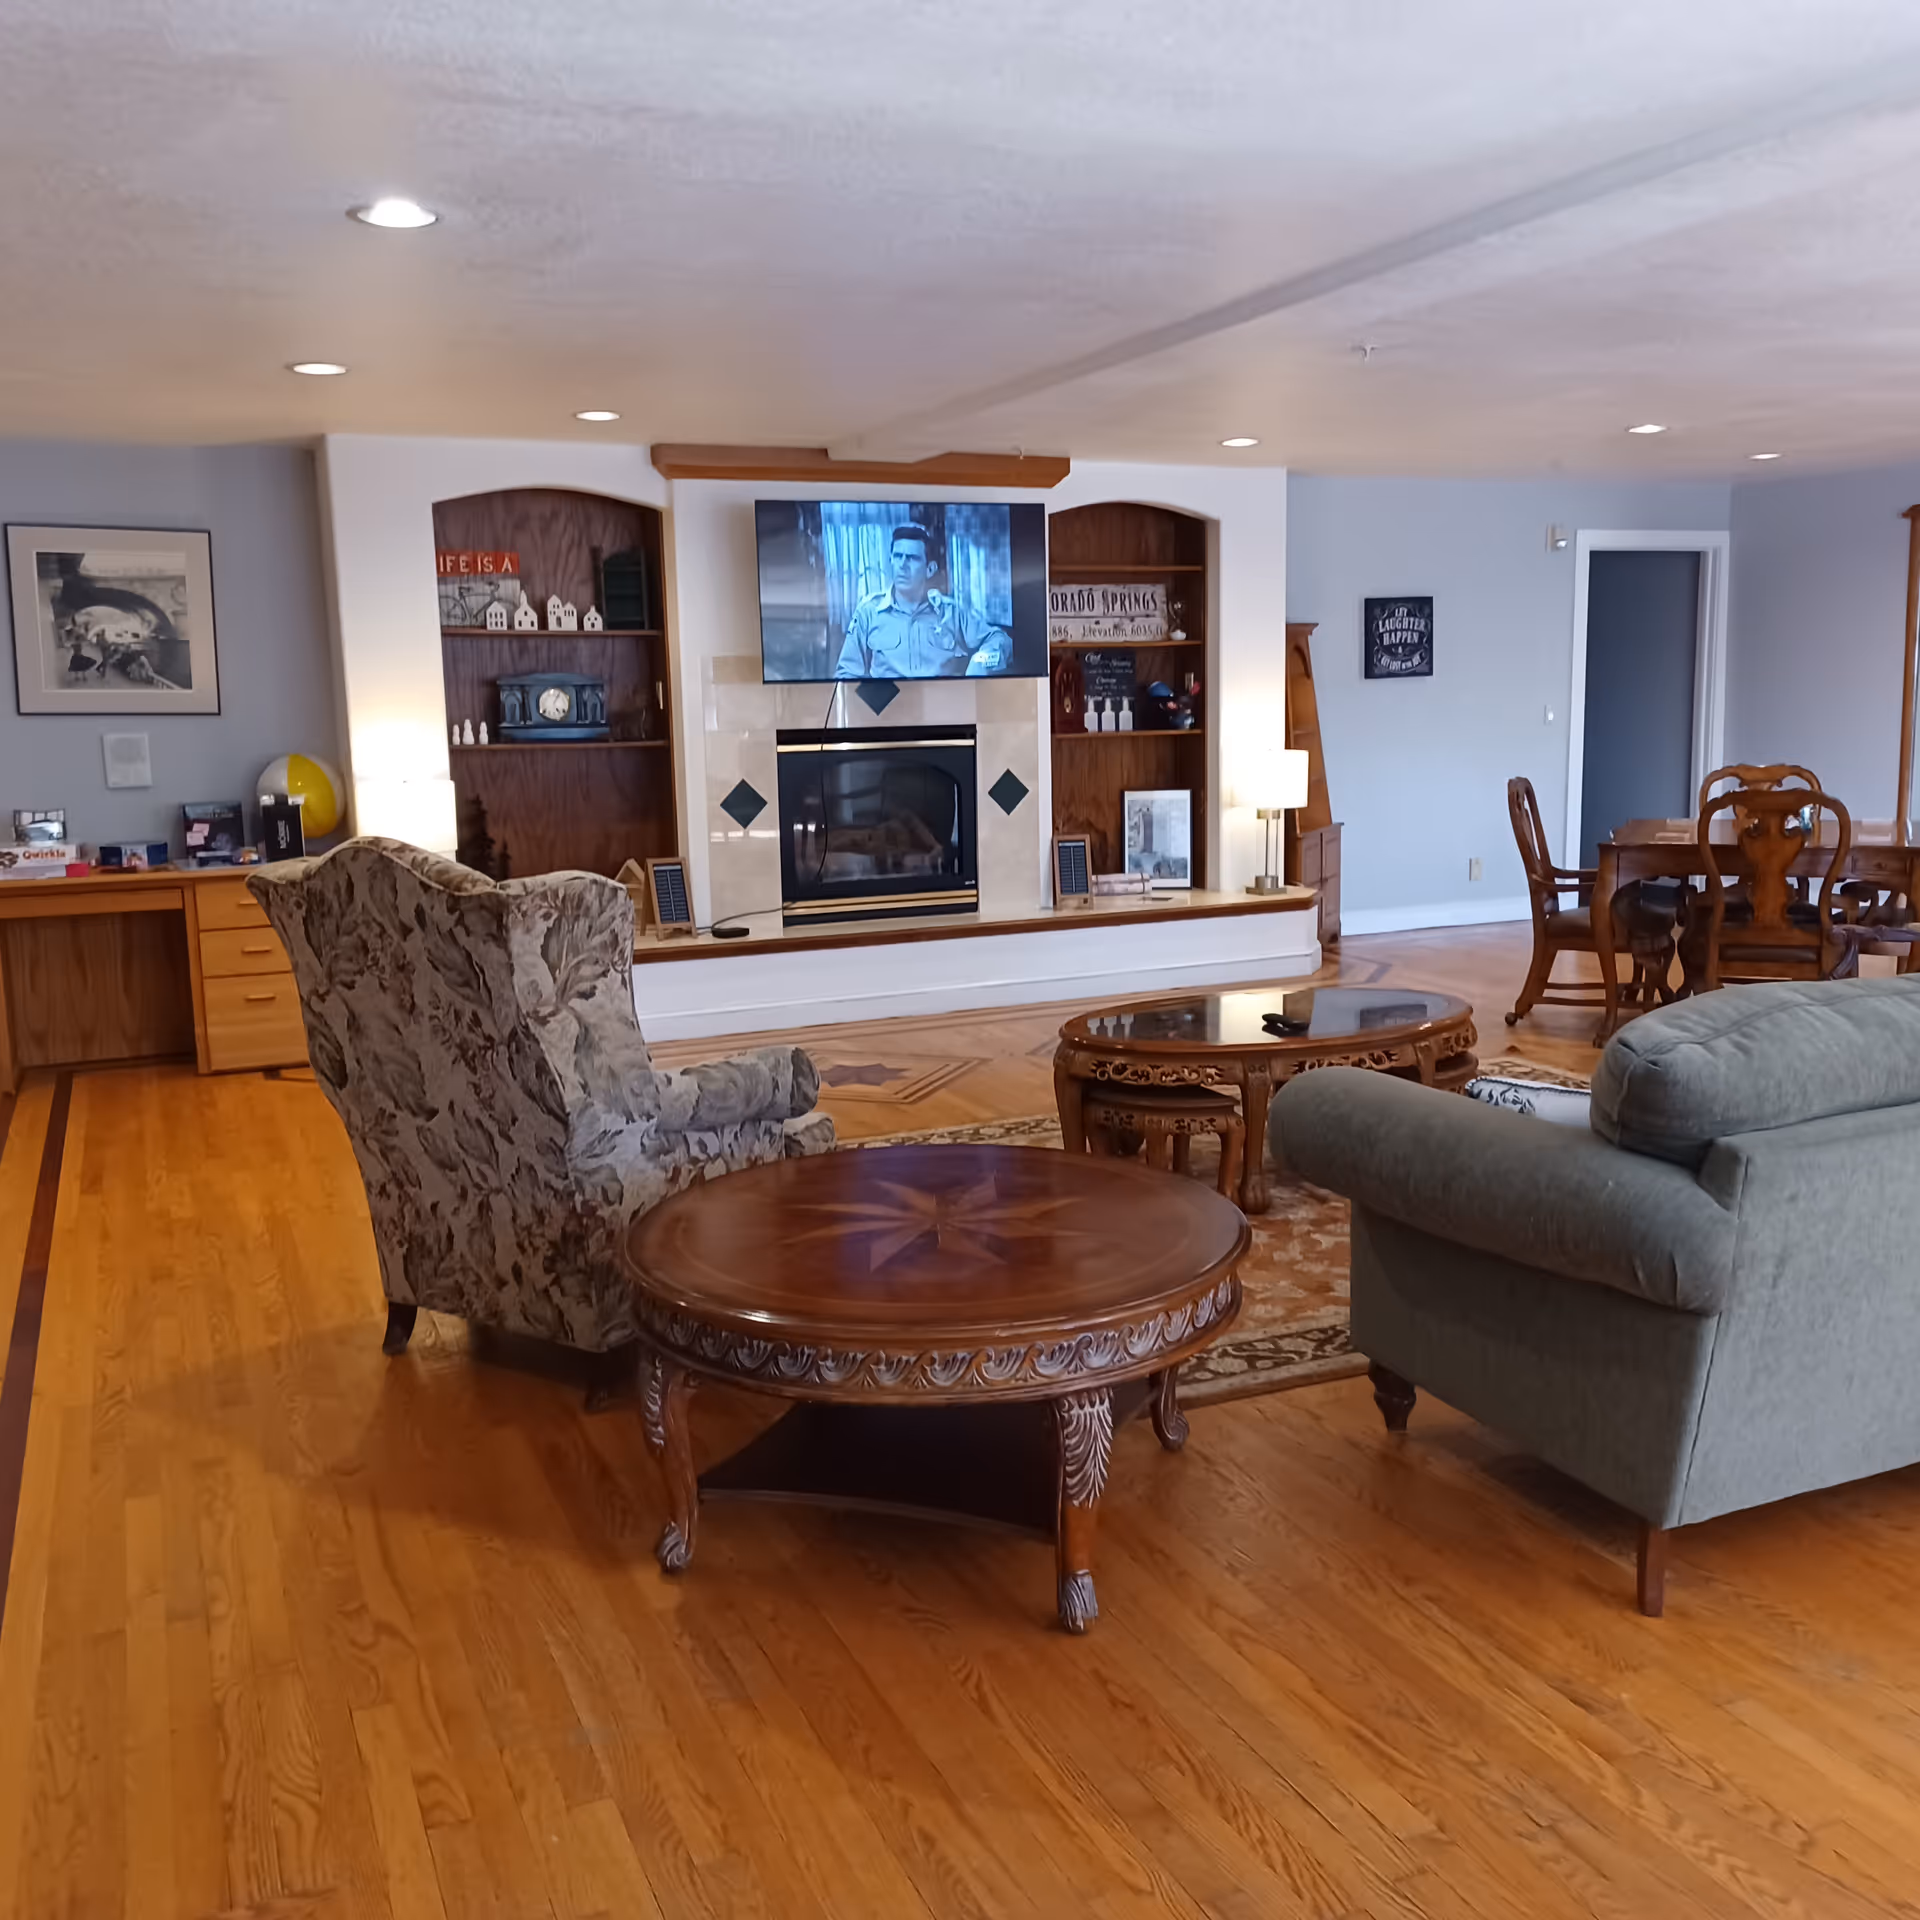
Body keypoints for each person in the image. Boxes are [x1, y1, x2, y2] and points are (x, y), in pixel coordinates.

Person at [833, 524, 1012, 678]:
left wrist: (981, 659)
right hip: (890, 706)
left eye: (912, 558)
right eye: (897, 556)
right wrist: (875, 703)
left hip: (942, 704)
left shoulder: (951, 612)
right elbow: (846, 674)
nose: (902, 565)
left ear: (929, 569)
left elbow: (1000, 639)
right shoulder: (868, 612)